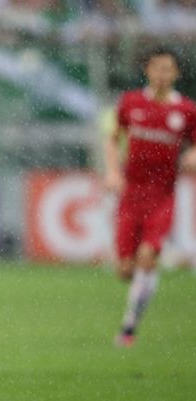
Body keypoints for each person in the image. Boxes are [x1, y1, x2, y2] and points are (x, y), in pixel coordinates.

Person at [103, 46, 196, 347]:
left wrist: (193, 155)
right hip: (131, 196)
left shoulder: (186, 111)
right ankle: (150, 276)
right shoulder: (130, 103)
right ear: (148, 71)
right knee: (125, 270)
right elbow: (113, 137)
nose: (161, 75)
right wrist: (113, 171)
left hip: (163, 196)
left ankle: (128, 328)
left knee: (146, 258)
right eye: (157, 68)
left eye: (167, 69)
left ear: (176, 74)